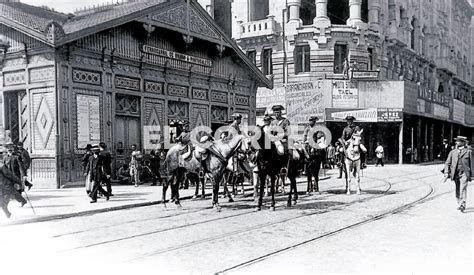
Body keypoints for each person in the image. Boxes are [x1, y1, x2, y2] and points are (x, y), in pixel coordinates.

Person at [443, 136, 473, 212]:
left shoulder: (468, 152)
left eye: (458, 141)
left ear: (463, 142)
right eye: (456, 141)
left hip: (465, 173)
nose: (456, 142)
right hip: (455, 173)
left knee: (463, 187)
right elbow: (447, 163)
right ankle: (459, 202)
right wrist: (446, 172)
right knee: (457, 188)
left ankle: (463, 203)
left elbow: (472, 164)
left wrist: (472, 175)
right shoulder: (452, 152)